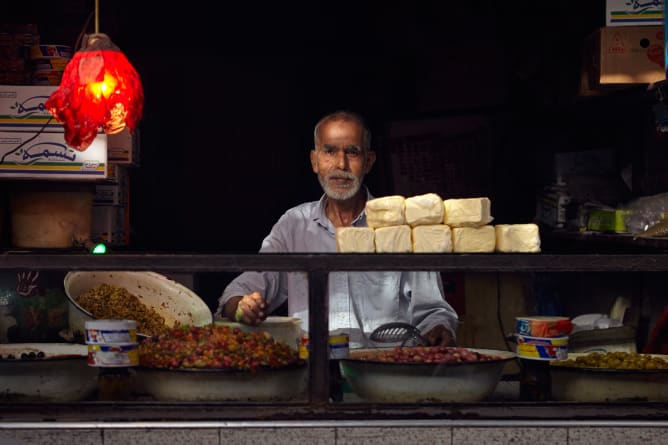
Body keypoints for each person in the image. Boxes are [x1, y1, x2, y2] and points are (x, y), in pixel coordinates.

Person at [213, 110, 458, 348]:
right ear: (315, 161)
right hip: (312, 371)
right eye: (329, 151)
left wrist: (439, 328)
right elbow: (245, 287)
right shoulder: (294, 225)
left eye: (352, 152)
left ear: (369, 161)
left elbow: (434, 311)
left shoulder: (402, 227)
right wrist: (241, 305)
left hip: (385, 374)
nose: (341, 164)